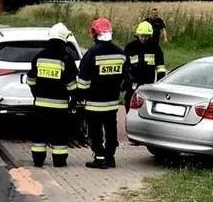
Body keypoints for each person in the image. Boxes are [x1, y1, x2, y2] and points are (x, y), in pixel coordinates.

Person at [77, 17, 127, 169]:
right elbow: (126, 77)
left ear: (94, 34)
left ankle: (99, 158)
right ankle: (110, 158)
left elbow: (83, 80)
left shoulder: (92, 53)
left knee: (95, 131)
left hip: (94, 103)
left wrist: (80, 96)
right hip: (112, 103)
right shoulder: (120, 53)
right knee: (111, 130)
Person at [26, 23, 79, 167]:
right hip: (60, 107)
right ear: (64, 39)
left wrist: (36, 94)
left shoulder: (39, 57)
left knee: (39, 135)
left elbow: (30, 80)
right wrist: (73, 100)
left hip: (40, 106)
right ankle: (59, 161)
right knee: (59, 135)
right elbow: (72, 85)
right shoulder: (66, 58)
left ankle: (38, 160)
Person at [123, 21, 166, 112]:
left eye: (146, 36)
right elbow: (124, 66)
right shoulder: (130, 47)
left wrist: (159, 83)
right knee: (129, 104)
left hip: (148, 83)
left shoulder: (155, 48)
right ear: (137, 34)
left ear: (150, 36)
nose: (143, 38)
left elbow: (161, 68)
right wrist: (126, 80)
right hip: (133, 83)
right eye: (141, 35)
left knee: (146, 107)